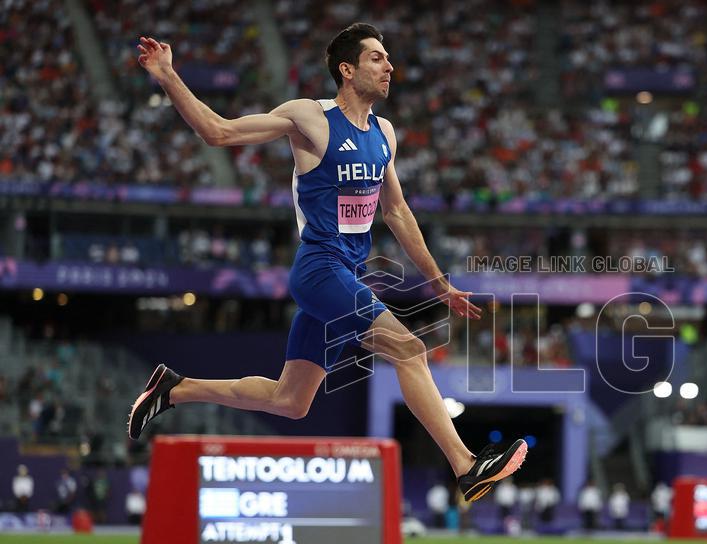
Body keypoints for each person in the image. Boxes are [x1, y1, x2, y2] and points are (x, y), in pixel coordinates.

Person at [126, 25, 526, 502]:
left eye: (389, 58)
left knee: (291, 401)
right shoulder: (310, 118)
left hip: (345, 276)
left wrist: (440, 285)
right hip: (319, 268)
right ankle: (466, 464)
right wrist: (168, 76)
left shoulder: (384, 134)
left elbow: (396, 212)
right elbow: (220, 132)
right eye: (377, 58)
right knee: (409, 349)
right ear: (347, 69)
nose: (389, 66)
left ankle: (175, 389)